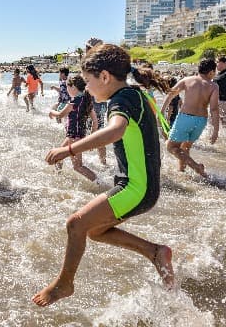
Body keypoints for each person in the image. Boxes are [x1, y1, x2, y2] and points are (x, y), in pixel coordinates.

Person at [32, 44, 174, 307]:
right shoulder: (133, 95)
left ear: (105, 77)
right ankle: (155, 252)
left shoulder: (122, 100)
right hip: (140, 185)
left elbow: (115, 130)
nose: (86, 88)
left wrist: (69, 149)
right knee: (95, 231)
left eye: (88, 81)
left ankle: (64, 284)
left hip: (137, 187)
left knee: (76, 224)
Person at [161, 59, 219, 178]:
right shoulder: (213, 86)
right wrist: (215, 131)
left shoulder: (187, 80)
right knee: (185, 147)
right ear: (211, 72)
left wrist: (162, 111)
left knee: (171, 146)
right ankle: (181, 171)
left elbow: (171, 94)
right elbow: (214, 109)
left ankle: (196, 167)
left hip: (185, 118)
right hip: (201, 121)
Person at [48, 74, 97, 181]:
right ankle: (57, 178)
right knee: (58, 157)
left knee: (78, 166)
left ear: (73, 87)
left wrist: (51, 112)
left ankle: (100, 183)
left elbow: (60, 114)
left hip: (74, 137)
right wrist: (92, 136)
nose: (66, 90)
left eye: (67, 87)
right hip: (75, 136)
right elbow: (95, 121)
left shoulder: (73, 102)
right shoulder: (86, 100)